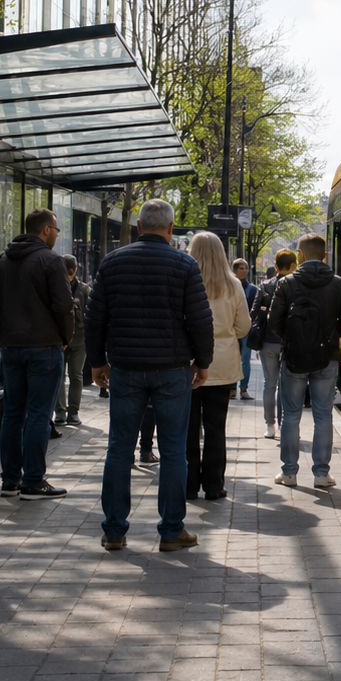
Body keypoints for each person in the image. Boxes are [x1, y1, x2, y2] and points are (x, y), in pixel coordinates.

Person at [88, 199, 214, 552]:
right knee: (174, 451)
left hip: (126, 368)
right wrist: (202, 363)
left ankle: (114, 530)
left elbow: (94, 317)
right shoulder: (185, 264)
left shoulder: (112, 263)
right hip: (173, 369)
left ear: (138, 227)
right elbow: (200, 321)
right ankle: (171, 530)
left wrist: (98, 362)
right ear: (171, 229)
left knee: (119, 448)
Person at [0, 208, 73, 500]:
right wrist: (66, 337)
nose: (56, 234)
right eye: (56, 229)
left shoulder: (2, 260)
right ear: (46, 230)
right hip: (44, 347)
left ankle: (10, 479)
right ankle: (34, 480)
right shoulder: (51, 260)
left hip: (11, 348)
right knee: (39, 415)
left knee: (13, 413)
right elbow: (64, 305)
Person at [269, 233, 341, 489]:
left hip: (294, 357)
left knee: (291, 415)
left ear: (301, 255)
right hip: (326, 358)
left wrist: (293, 338)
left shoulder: (286, 284)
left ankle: (289, 473)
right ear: (325, 255)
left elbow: (273, 322)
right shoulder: (339, 284)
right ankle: (321, 474)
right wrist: (327, 336)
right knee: (323, 415)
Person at [187, 233, 250, 500]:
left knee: (187, 427)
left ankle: (188, 484)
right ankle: (214, 485)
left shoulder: (185, 280)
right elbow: (244, 326)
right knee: (216, 427)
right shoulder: (233, 284)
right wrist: (226, 335)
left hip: (188, 363)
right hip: (222, 362)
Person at [249, 249, 295, 440]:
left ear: (275, 266)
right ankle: (286, 426)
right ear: (294, 265)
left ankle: (270, 425)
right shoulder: (296, 286)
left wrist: (264, 310)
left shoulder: (265, 286)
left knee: (269, 384)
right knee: (287, 385)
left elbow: (253, 314)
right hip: (290, 342)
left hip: (268, 341)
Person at [54, 255, 90, 427]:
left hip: (78, 339)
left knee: (74, 375)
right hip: (61, 339)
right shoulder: (57, 287)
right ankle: (62, 412)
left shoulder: (83, 289)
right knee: (64, 376)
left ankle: (71, 412)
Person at [232, 258, 259, 400]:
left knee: (245, 359)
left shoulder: (253, 290)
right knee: (232, 358)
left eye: (246, 268)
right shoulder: (229, 287)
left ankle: (243, 389)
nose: (244, 270)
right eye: (241, 268)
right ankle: (231, 388)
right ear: (235, 270)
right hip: (231, 328)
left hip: (247, 329)